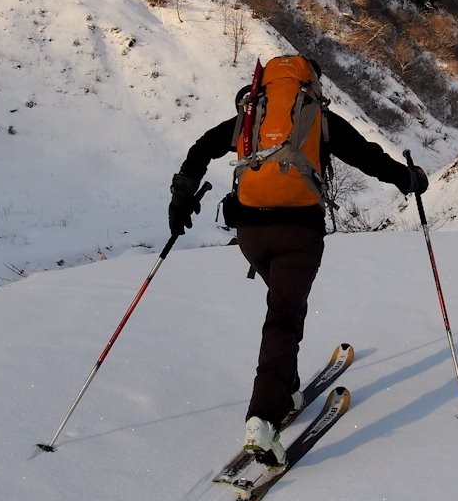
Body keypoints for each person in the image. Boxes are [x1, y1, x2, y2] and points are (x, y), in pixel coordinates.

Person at [168, 57, 427, 464]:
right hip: (299, 234)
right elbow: (368, 157)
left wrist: (182, 197)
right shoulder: (319, 118)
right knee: (283, 319)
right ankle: (263, 419)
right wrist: (410, 179)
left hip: (251, 234)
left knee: (285, 307)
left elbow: (202, 148)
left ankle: (286, 389)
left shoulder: (250, 117)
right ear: (311, 84)